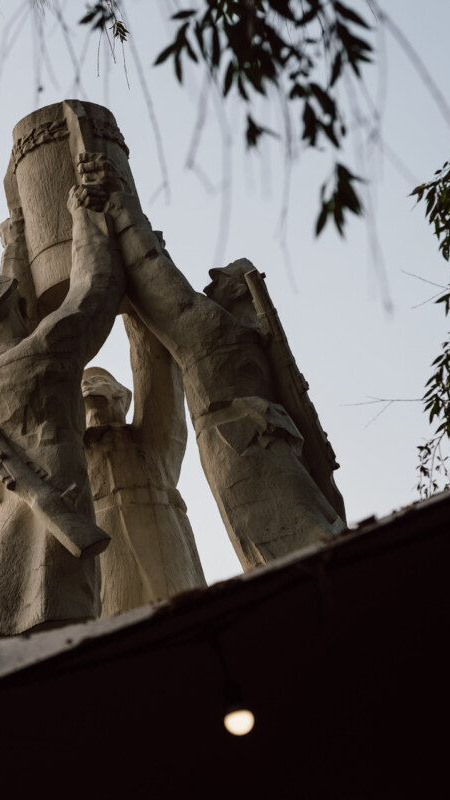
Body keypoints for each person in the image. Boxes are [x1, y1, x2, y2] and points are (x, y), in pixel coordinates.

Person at [105, 189, 345, 568]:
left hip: (240, 447)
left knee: (287, 551)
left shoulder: (221, 332)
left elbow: (160, 282)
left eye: (217, 282)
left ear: (237, 289)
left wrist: (122, 209)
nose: (207, 287)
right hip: (262, 445)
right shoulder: (254, 342)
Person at [0, 155, 126, 642]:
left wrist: (14, 243)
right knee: (59, 609)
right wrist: (82, 216)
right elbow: (94, 291)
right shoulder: (44, 350)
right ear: (20, 306)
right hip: (54, 485)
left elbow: (8, 312)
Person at [83, 351, 206, 616]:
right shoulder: (73, 452)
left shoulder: (148, 439)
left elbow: (160, 378)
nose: (86, 385)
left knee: (178, 609)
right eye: (82, 383)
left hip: (159, 529)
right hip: (100, 540)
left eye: (96, 379)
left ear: (121, 394)